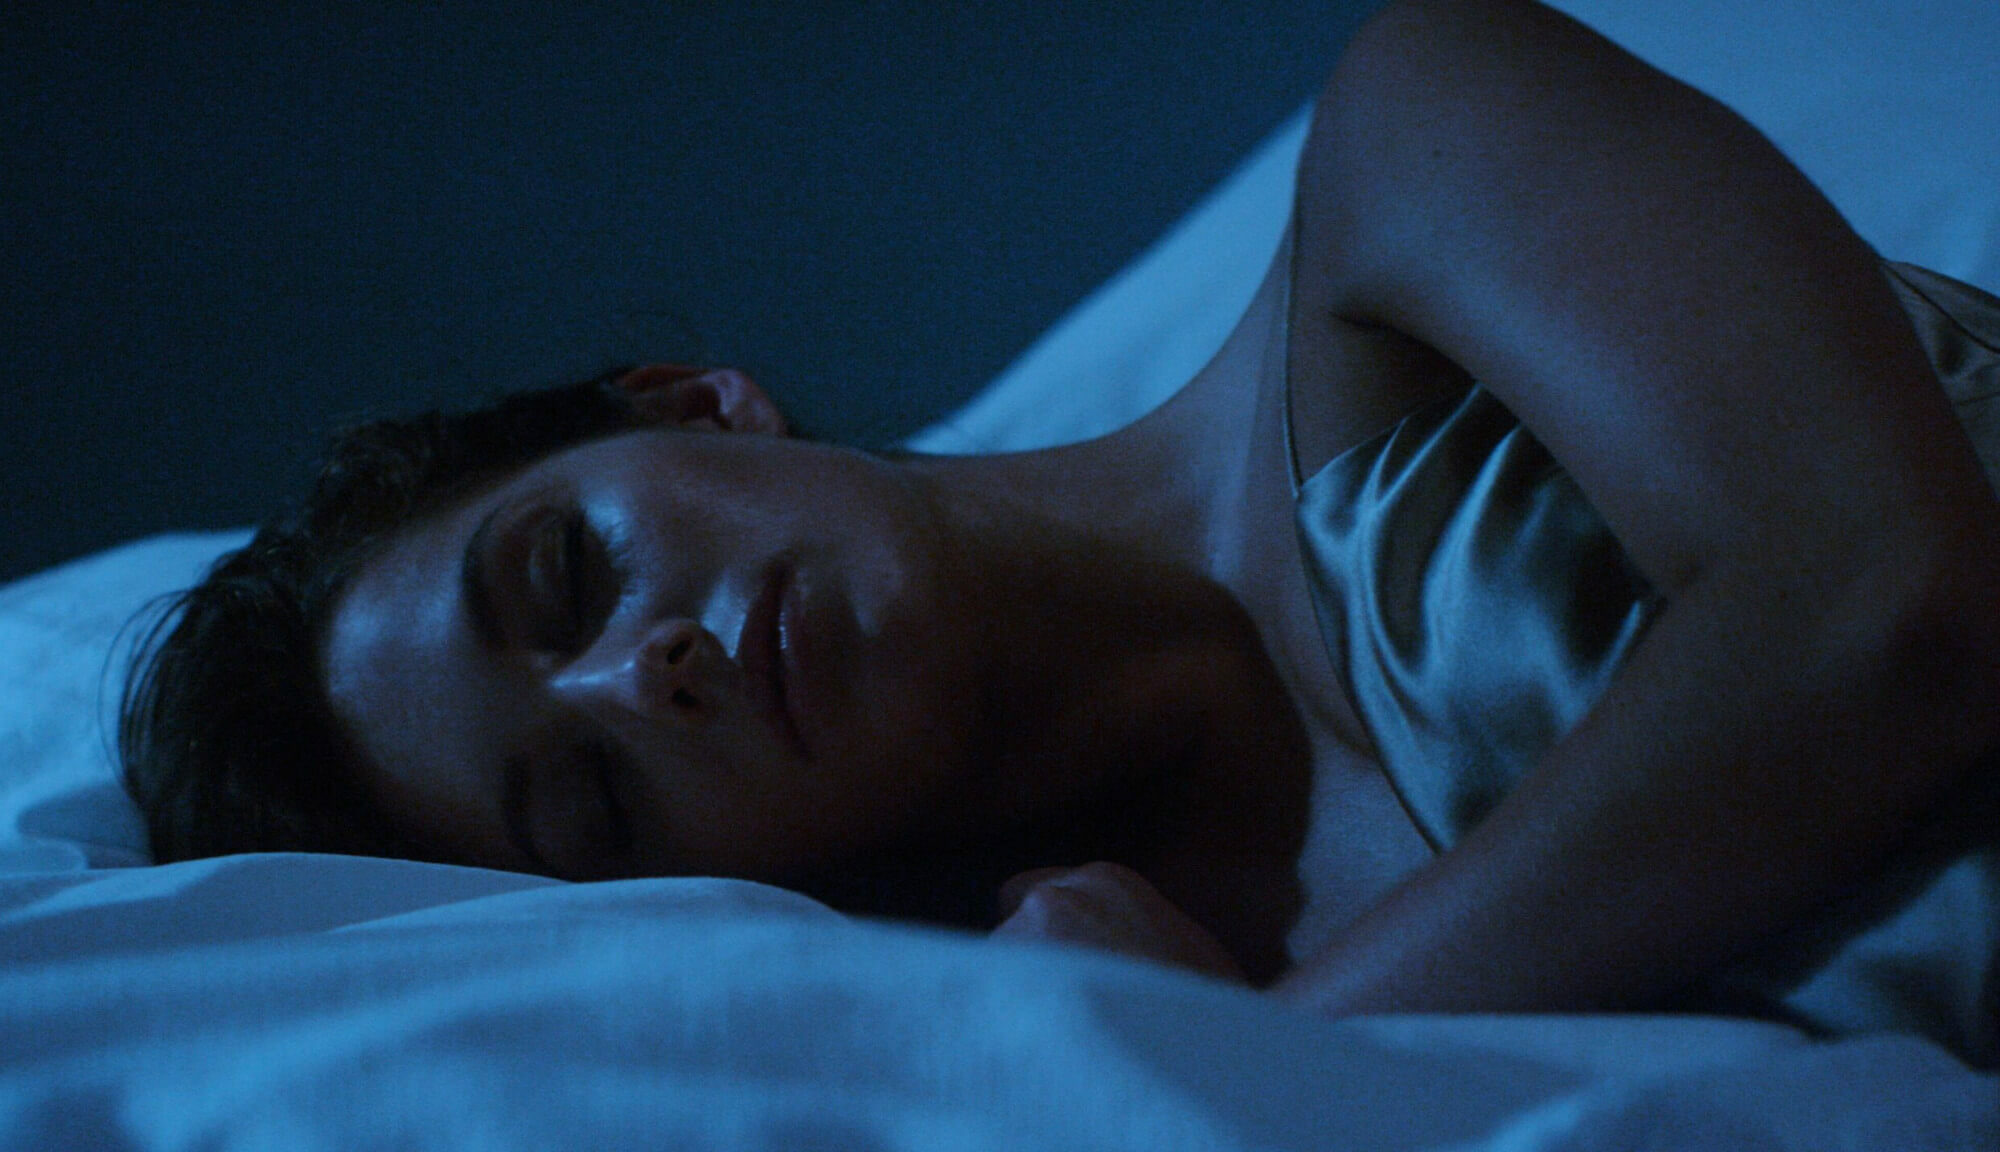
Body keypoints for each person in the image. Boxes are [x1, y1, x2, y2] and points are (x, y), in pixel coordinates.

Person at [121, 0, 2000, 1054]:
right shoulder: (1116, 995)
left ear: (690, 407)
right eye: (592, 798)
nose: (649, 671)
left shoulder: (1416, 153)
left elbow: (1884, 610)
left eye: (569, 576)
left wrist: (1268, 1066)